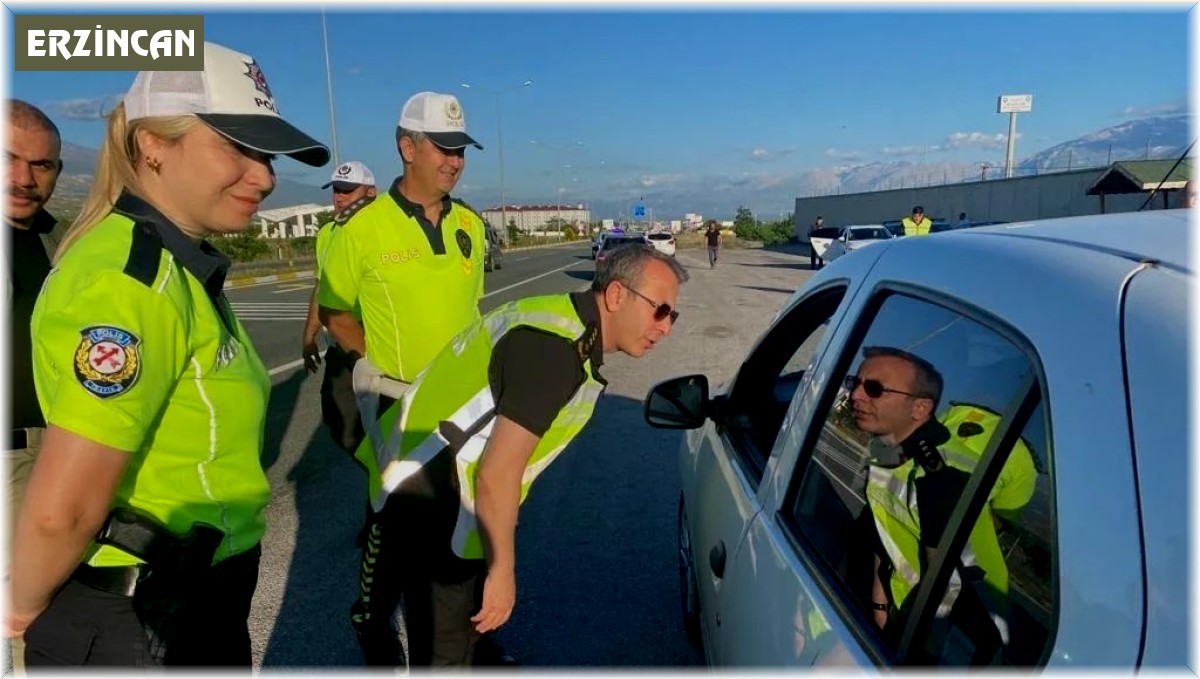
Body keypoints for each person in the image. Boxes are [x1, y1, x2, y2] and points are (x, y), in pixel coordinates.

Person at [6, 42, 329, 667]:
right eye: (237, 147)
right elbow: (62, 509)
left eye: (265, 154)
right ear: (152, 143)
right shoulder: (127, 281)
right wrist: (20, 613)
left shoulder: (178, 270)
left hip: (195, 598)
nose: (263, 175)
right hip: (140, 617)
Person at [349, 243, 688, 667]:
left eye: (672, 315)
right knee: (444, 653)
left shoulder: (558, 321)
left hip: (427, 482)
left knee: (456, 627)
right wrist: (502, 571)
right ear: (617, 295)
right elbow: (496, 473)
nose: (666, 327)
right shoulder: (555, 351)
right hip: (436, 503)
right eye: (660, 310)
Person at [318, 91, 487, 464]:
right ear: (408, 148)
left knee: (468, 513)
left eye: (461, 151)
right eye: (445, 148)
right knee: (401, 514)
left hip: (465, 402)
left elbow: (470, 307)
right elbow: (333, 311)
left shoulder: (470, 226)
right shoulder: (361, 228)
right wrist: (371, 369)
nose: (455, 162)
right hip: (399, 406)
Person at [847, 347, 1033, 663]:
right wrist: (880, 609)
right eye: (856, 382)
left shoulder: (941, 480)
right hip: (904, 612)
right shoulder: (888, 450)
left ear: (920, 408)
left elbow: (943, 591)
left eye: (874, 389)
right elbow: (884, 537)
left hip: (954, 637)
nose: (855, 395)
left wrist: (900, 645)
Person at [5, 98, 66, 675]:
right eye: (9, 159)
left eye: (41, 165)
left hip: (54, 445)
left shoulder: (53, 240)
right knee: (28, 611)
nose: (24, 178)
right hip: (12, 455)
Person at [301, 160, 378, 453]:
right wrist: (308, 336)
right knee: (340, 422)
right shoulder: (327, 234)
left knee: (389, 420)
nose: (340, 197)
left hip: (377, 340)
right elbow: (323, 287)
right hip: (342, 345)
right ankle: (381, 477)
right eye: (336, 190)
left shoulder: (382, 230)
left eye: (348, 190)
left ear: (371, 193)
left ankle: (390, 484)